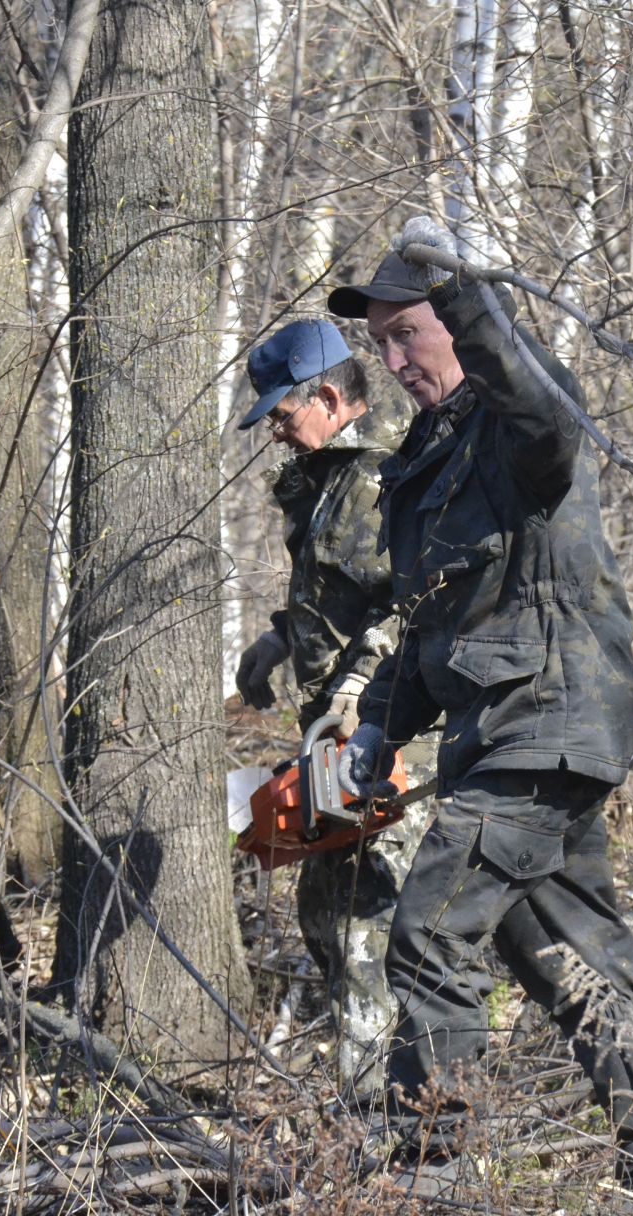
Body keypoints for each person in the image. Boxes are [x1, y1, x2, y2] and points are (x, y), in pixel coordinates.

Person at [325, 219, 633, 1216]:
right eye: (382, 343)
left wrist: (465, 290)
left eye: (410, 332)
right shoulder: (429, 467)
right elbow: (427, 626)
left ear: (460, 325)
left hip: (545, 721)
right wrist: (375, 727)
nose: (397, 359)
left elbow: (543, 405)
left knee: (428, 928)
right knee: (569, 954)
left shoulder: (518, 433)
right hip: (500, 736)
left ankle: (437, 1168)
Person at [233, 317, 412, 1097]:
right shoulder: (325, 481)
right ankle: (377, 1101)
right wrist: (277, 643)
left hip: (396, 732)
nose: (275, 432)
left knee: (363, 926)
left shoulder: (386, 472)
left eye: (282, 413)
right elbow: (334, 595)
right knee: (328, 919)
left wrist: (355, 690)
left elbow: (411, 599)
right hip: (338, 738)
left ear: (331, 398)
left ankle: (390, 1115)